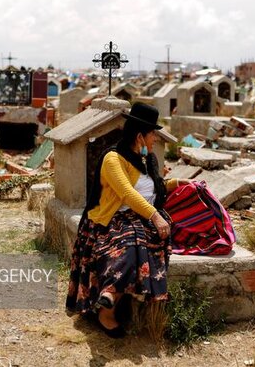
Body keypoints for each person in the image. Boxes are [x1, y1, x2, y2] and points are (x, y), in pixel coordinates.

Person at [66, 102, 189, 338]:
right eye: (153, 133)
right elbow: (126, 193)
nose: (155, 138)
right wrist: (153, 215)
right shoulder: (113, 159)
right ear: (140, 135)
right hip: (112, 218)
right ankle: (108, 305)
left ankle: (111, 293)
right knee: (129, 243)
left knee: (138, 237)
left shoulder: (148, 159)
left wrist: (175, 184)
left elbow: (154, 189)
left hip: (141, 218)